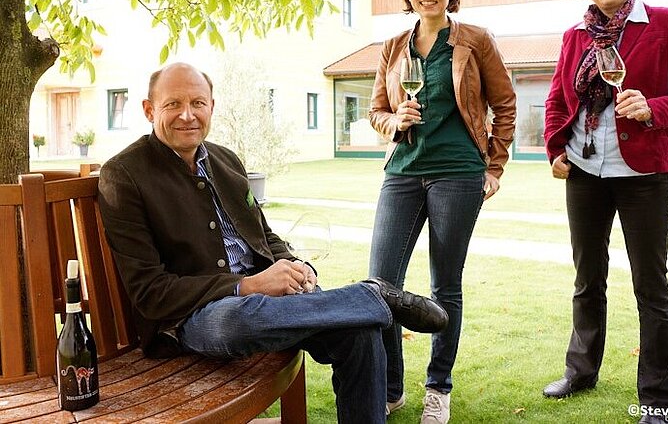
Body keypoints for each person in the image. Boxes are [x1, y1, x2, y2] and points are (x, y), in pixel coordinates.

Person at [98, 62, 450, 424]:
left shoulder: (225, 159)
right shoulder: (124, 175)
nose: (187, 115)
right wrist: (248, 285)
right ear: (149, 110)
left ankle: (367, 299)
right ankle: (373, 294)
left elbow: (263, 237)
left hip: (270, 303)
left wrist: (296, 267)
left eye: (198, 103)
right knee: (233, 321)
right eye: (173, 104)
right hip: (194, 317)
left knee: (359, 330)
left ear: (212, 107)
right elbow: (149, 292)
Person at [542, 0, 668, 424]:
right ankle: (581, 371)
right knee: (586, 280)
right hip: (585, 172)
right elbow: (556, 99)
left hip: (645, 174)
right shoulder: (576, 35)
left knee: (650, 286)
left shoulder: (667, 22)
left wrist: (653, 109)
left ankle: (657, 398)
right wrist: (556, 150)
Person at [368, 0, 516, 423]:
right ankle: (391, 388)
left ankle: (438, 388)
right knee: (380, 283)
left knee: (444, 285)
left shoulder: (474, 41)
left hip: (458, 172)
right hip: (403, 172)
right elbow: (375, 111)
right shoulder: (393, 47)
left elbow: (505, 104)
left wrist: (493, 167)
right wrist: (395, 120)